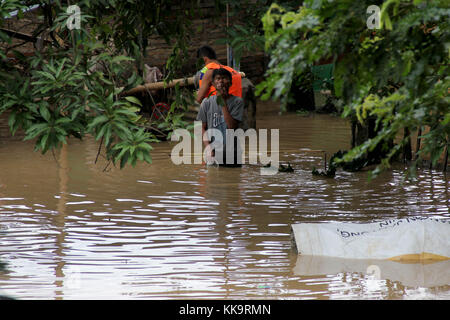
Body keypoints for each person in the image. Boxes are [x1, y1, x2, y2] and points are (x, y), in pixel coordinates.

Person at [196, 68, 244, 167]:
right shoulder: (207, 102)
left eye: (224, 78)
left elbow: (232, 127)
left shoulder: (237, 102)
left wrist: (222, 101)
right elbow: (201, 127)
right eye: (218, 79)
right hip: (213, 154)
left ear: (230, 83)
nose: (221, 81)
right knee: (213, 180)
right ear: (213, 84)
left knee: (232, 180)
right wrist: (208, 147)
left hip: (232, 154)